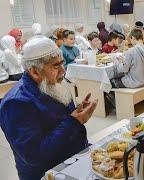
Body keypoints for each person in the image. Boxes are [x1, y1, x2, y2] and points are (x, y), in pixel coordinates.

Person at [0, 36, 98, 179]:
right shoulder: (16, 103)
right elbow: (34, 156)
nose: (63, 70)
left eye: (62, 63)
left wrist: (77, 113)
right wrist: (74, 121)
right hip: (48, 173)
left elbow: (60, 120)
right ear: (34, 72)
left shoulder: (52, 83)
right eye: (56, 65)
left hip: (74, 159)